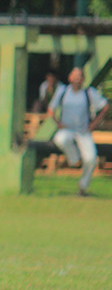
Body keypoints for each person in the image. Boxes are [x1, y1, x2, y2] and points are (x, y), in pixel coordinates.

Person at [47, 67, 110, 196]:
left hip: (83, 131)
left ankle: (83, 187)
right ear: (70, 77)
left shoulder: (89, 92)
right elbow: (51, 109)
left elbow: (105, 107)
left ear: (83, 79)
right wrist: (58, 123)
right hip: (67, 130)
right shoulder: (63, 91)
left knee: (91, 158)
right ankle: (74, 160)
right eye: (74, 75)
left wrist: (94, 124)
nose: (76, 78)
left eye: (79, 76)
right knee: (60, 139)